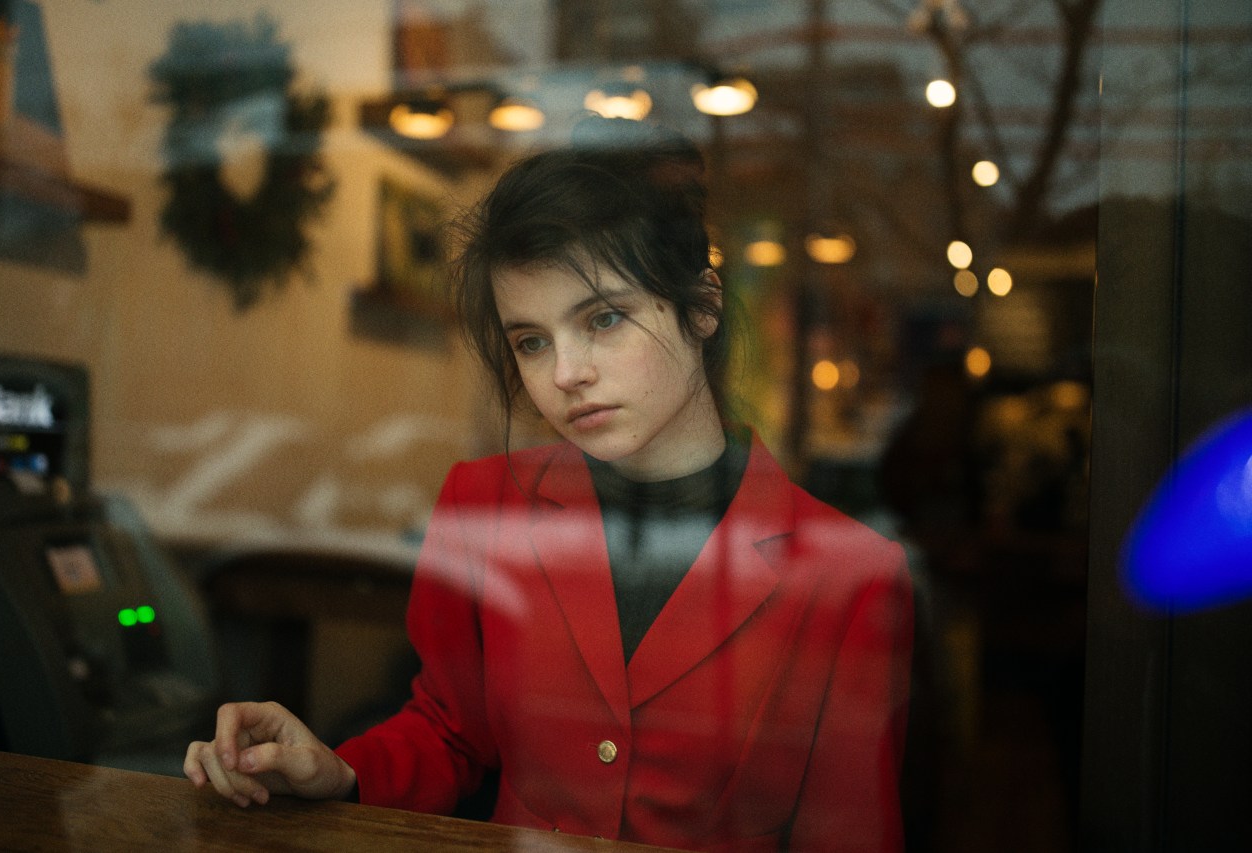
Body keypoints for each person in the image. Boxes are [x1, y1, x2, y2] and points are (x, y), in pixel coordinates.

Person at [184, 117, 914, 852]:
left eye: (602, 319)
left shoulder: (849, 576)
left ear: (702, 307)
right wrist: (337, 768)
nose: (565, 374)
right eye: (531, 340)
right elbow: (451, 730)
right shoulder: (484, 503)